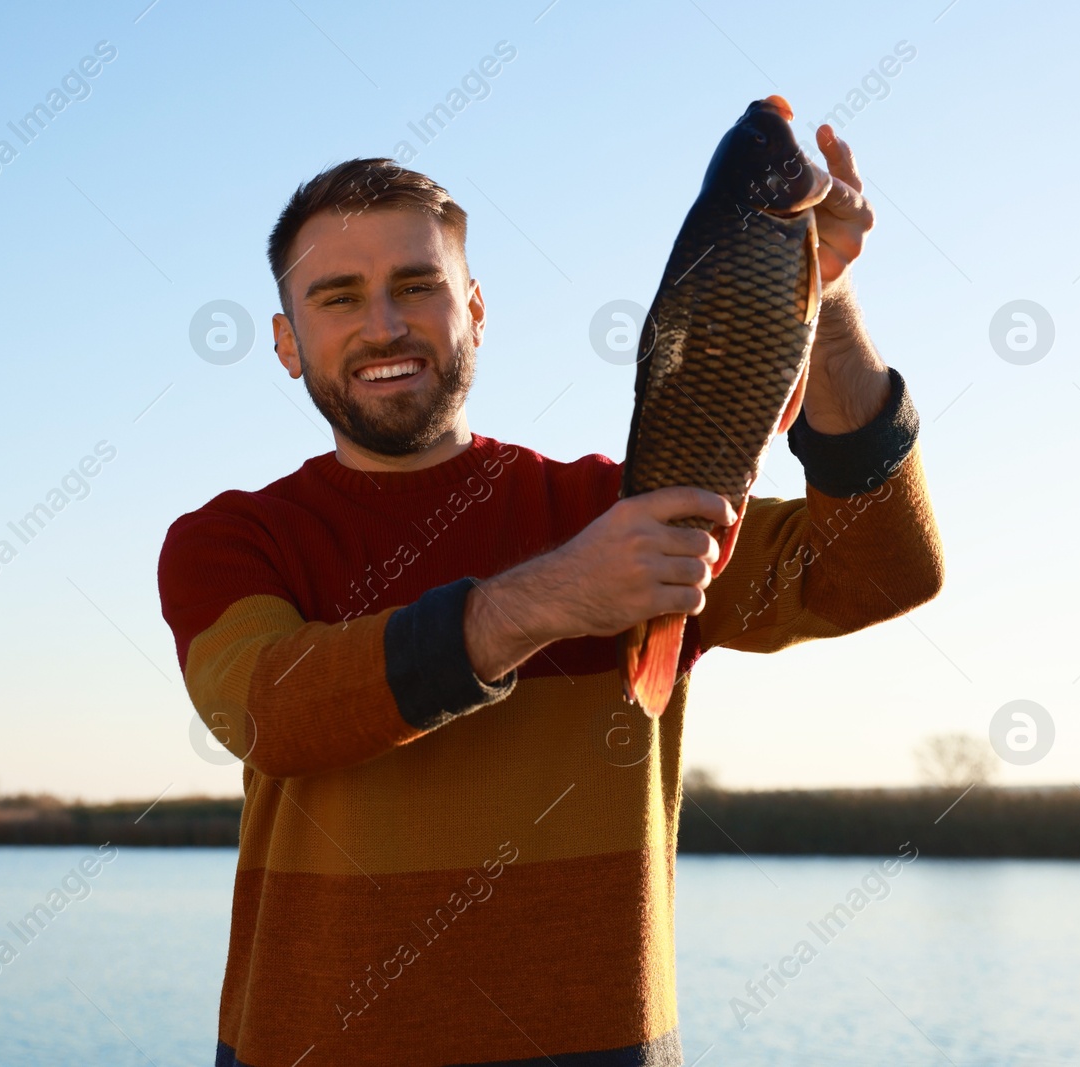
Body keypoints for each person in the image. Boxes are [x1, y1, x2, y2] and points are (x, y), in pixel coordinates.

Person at [159, 128, 943, 1066]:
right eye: (337, 298)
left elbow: (885, 567)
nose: (384, 325)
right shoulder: (233, 539)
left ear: (477, 310)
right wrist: (551, 599)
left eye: (418, 285)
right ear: (287, 343)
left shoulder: (624, 507)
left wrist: (820, 290)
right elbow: (275, 711)